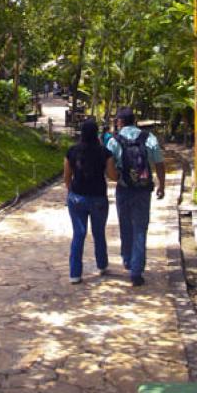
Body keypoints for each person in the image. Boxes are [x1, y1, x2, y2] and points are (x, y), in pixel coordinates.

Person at [107, 107, 165, 287]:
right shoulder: (148, 138)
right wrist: (162, 185)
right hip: (143, 190)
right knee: (140, 228)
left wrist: (116, 177)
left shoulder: (114, 141)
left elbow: (109, 168)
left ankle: (127, 258)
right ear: (135, 120)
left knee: (125, 225)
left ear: (120, 122)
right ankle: (136, 271)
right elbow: (159, 163)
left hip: (123, 189)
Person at [64, 119, 118, 284]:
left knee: (78, 234)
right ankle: (101, 265)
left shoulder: (72, 151)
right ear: (97, 133)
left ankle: (75, 274)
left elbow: (66, 177)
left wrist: (71, 192)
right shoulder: (104, 152)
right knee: (99, 232)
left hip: (77, 197)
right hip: (98, 198)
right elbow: (112, 176)